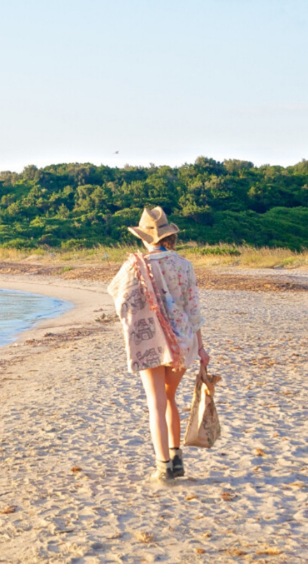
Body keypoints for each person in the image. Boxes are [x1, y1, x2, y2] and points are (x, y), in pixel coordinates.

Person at [106, 206, 209, 482]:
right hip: (183, 340)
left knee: (155, 403)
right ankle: (176, 460)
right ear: (169, 236)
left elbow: (117, 294)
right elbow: (193, 309)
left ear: (144, 238)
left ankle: (163, 467)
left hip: (150, 340)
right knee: (170, 398)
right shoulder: (184, 265)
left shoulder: (134, 266)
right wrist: (201, 348)